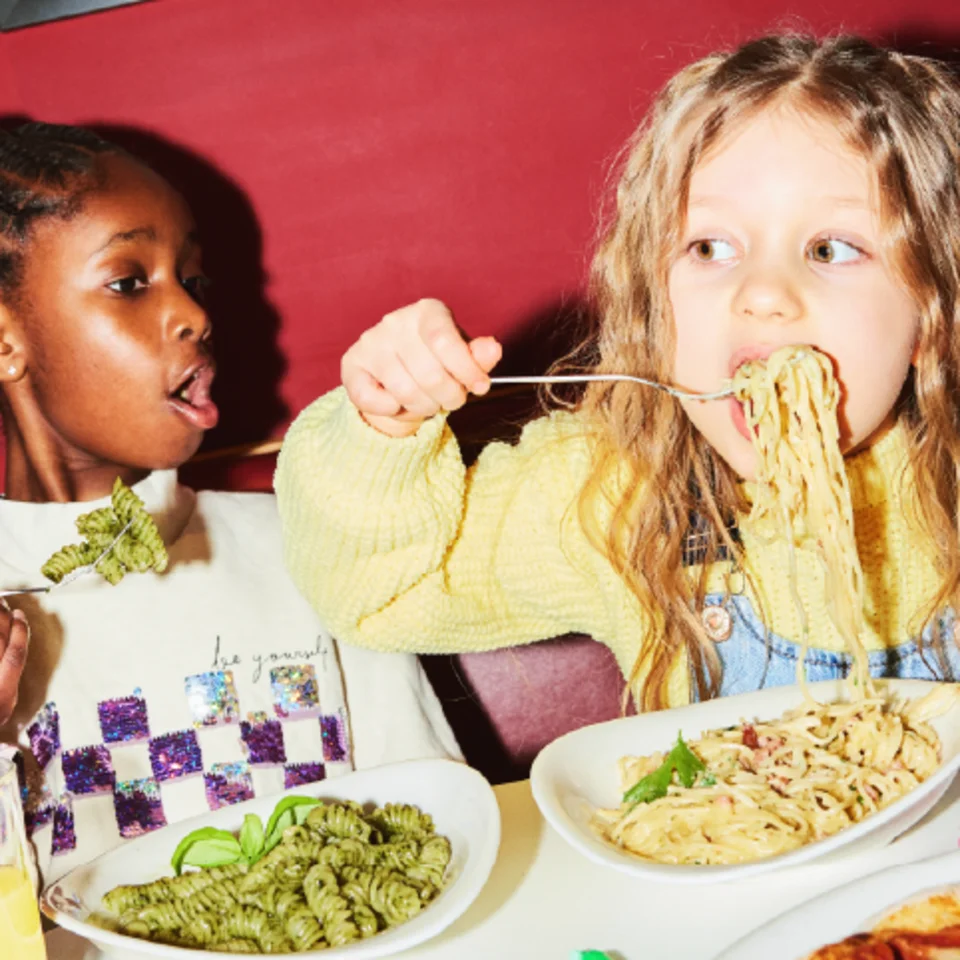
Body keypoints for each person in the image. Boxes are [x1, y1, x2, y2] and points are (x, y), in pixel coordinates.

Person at [275, 33, 960, 716]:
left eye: (830, 248)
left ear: (929, 318)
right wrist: (383, 433)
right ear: (653, 300)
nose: (764, 293)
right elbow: (375, 597)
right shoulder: (617, 497)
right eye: (711, 247)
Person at [0, 122, 460, 886]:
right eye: (129, 281)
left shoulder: (307, 540)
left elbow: (437, 818)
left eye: (194, 280)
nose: (195, 315)